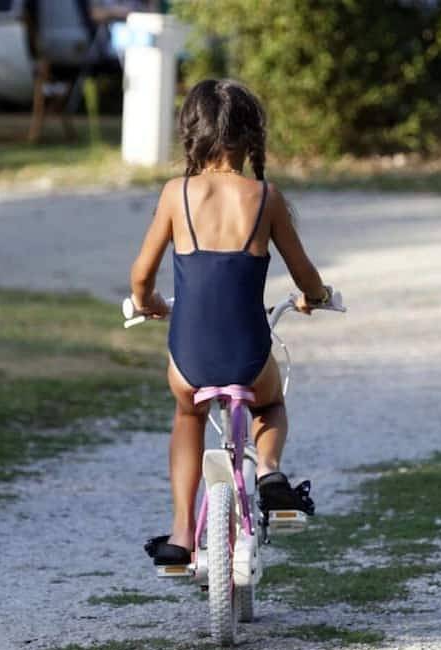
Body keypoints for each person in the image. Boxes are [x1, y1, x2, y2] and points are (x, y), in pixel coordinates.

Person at [128, 79, 332, 566]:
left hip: (190, 354)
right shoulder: (266, 197)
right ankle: (268, 471)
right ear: (252, 137)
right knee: (272, 403)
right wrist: (315, 297)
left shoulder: (176, 194)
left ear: (191, 134)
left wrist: (149, 301)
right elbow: (305, 274)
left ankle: (181, 533)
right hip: (248, 351)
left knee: (187, 414)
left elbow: (141, 275)